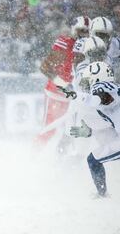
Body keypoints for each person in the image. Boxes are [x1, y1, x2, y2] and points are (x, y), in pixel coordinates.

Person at [60, 61, 120, 197]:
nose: (87, 85)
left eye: (89, 81)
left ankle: (102, 195)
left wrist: (77, 95)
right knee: (94, 158)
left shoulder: (103, 88)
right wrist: (90, 132)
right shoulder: (111, 93)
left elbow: (100, 99)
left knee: (93, 160)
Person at [35, 16, 90, 149]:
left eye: (86, 31)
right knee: (49, 129)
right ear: (73, 30)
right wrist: (64, 85)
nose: (82, 35)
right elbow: (45, 67)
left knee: (72, 133)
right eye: (80, 30)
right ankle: (33, 158)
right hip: (56, 94)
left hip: (76, 99)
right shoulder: (65, 43)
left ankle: (62, 162)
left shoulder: (90, 47)